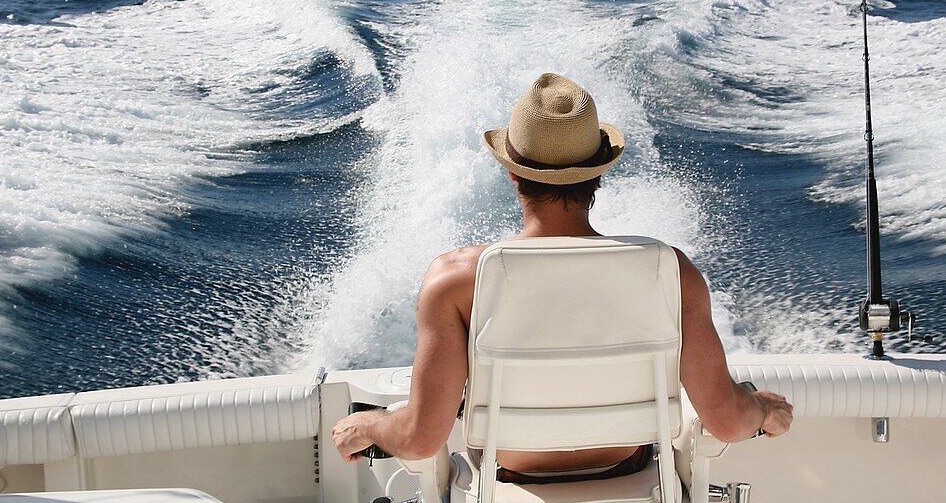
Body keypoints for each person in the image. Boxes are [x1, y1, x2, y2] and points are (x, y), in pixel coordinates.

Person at [332, 73, 793, 479]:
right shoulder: (672, 271)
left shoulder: (454, 280)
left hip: (509, 483)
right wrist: (763, 409)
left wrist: (369, 425)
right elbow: (729, 422)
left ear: (513, 176)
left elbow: (419, 439)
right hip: (626, 473)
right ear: (598, 176)